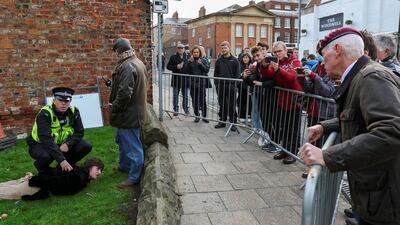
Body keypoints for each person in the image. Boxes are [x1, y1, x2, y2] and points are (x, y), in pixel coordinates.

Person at [299, 27, 400, 225]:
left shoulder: (371, 77)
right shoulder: (362, 76)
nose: (322, 61)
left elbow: (391, 131)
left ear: (337, 49)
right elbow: (358, 117)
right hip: (375, 195)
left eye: (323, 54)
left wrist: (327, 156)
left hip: (385, 200)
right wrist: (325, 127)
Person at [110, 38, 147, 189]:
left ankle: (133, 178)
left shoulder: (127, 66)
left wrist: (115, 107)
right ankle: (124, 166)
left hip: (129, 114)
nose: (116, 56)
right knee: (122, 140)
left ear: (120, 52)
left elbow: (125, 93)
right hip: (134, 112)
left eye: (116, 53)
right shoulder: (137, 62)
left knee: (133, 147)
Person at [27, 87, 92, 173]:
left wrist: (68, 144)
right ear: (54, 100)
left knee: (86, 145)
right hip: (40, 144)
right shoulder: (45, 113)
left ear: (70, 101)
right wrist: (61, 159)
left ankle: (62, 168)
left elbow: (79, 132)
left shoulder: (74, 111)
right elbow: (45, 139)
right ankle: (41, 167)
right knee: (46, 156)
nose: (63, 104)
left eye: (66, 101)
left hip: (62, 143)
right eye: (60, 100)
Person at [0, 158, 103, 200]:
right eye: (98, 169)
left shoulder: (79, 173)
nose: (99, 172)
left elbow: (56, 172)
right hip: (35, 187)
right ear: (90, 166)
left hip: (36, 181)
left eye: (101, 171)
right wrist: (34, 180)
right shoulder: (79, 177)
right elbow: (55, 182)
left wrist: (35, 177)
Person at [270, 41, 303, 165]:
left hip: (295, 100)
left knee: (293, 127)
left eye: (279, 51)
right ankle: (284, 150)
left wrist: (279, 70)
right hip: (283, 99)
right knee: (284, 127)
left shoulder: (295, 62)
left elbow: (292, 78)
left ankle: (293, 152)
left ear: (285, 50)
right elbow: (278, 81)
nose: (278, 53)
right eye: (275, 52)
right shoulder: (278, 63)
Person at [214, 41, 240, 131]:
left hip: (231, 87)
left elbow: (237, 75)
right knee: (222, 104)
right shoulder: (219, 60)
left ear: (229, 48)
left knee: (232, 105)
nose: (223, 50)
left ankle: (233, 123)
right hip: (221, 86)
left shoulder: (235, 60)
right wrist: (217, 84)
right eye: (222, 48)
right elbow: (215, 74)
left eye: (225, 48)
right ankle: (222, 121)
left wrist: (234, 85)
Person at [184, 46, 210, 123]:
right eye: (194, 52)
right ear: (192, 53)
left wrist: (201, 64)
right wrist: (189, 63)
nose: (196, 53)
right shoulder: (190, 61)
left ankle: (204, 116)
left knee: (203, 101)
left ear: (200, 53)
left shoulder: (203, 60)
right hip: (193, 84)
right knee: (194, 101)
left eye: (197, 52)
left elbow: (207, 70)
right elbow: (186, 71)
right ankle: (197, 116)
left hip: (201, 84)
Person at [167, 43, 190, 115]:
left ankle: (186, 109)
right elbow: (168, 67)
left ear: (184, 49)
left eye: (182, 48)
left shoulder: (188, 57)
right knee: (175, 95)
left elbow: (190, 67)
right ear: (177, 49)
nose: (180, 49)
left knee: (185, 96)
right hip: (176, 79)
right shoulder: (173, 57)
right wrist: (176, 67)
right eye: (179, 48)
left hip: (185, 80)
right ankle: (175, 110)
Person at [237, 52, 253, 121]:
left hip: (249, 86)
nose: (245, 59)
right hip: (242, 86)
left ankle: (249, 115)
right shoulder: (239, 66)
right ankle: (241, 115)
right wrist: (242, 73)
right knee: (241, 100)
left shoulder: (252, 66)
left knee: (249, 101)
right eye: (244, 57)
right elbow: (238, 75)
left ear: (249, 58)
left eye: (247, 57)